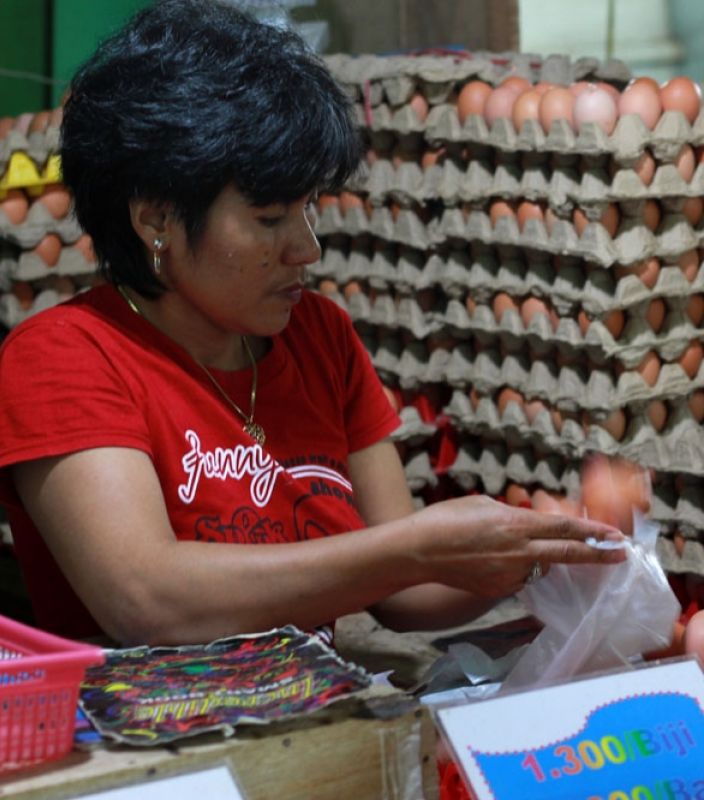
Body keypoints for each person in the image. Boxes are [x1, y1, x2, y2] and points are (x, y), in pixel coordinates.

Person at [0, 0, 624, 647]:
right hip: (156, 742)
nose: (307, 248)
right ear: (155, 219)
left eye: (310, 209)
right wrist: (411, 548)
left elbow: (404, 591)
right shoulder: (62, 358)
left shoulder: (319, 337)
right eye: (270, 218)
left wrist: (542, 549)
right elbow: (150, 599)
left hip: (309, 731)